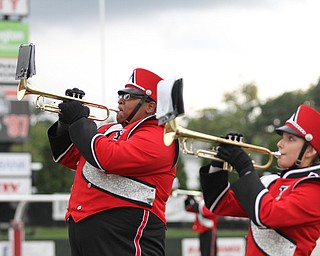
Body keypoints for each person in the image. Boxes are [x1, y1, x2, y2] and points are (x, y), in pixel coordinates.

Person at [47, 68, 179, 256]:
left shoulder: (160, 136)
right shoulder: (109, 128)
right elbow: (68, 156)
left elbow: (107, 157)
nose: (120, 100)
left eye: (129, 96)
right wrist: (66, 123)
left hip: (124, 240)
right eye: (121, 95)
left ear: (150, 106)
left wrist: (79, 121)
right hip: (87, 233)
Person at [199, 104, 320, 256]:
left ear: (310, 151)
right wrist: (218, 165)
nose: (279, 144)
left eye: (290, 139)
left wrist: (246, 169)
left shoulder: (315, 189)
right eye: (282, 138)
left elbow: (267, 216)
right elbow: (219, 204)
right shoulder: (272, 182)